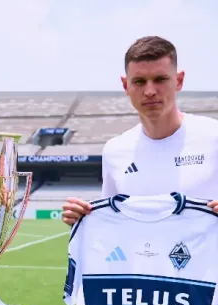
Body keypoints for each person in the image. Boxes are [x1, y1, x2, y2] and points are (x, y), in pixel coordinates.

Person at [62, 35, 218, 225]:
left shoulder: (213, 137)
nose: (150, 91)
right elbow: (112, 224)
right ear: (125, 85)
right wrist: (81, 219)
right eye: (139, 81)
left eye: (160, 79)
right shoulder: (115, 150)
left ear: (179, 80)